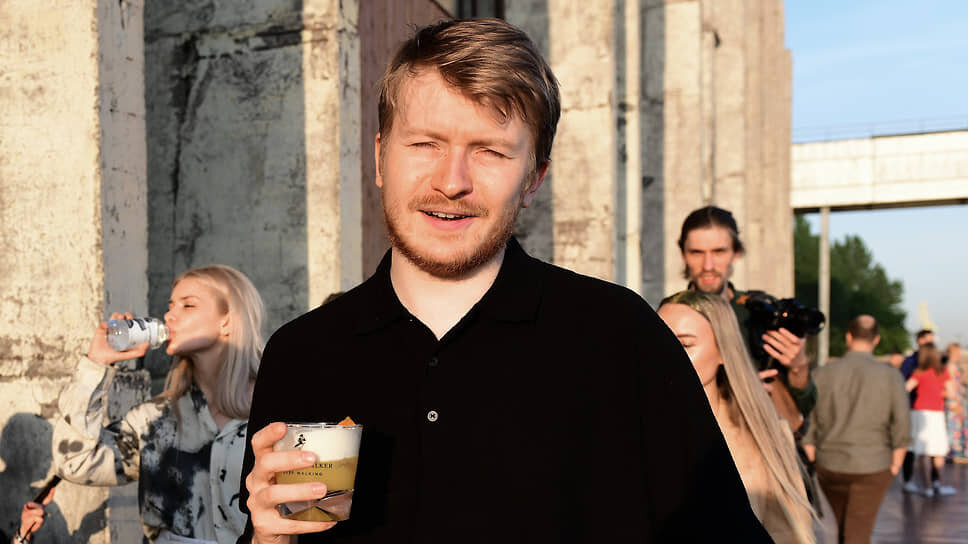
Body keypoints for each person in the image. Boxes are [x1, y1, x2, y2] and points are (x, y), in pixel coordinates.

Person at [238, 18, 770, 543]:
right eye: (424, 144)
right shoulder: (302, 354)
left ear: (534, 178)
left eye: (490, 151)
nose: (451, 182)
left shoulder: (621, 338)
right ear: (380, 157)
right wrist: (269, 541)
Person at [52, 265, 265, 543]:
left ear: (227, 321)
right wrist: (96, 364)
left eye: (188, 305)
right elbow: (75, 462)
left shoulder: (278, 411)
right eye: (170, 305)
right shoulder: (156, 418)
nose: (169, 316)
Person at [658, 290, 815, 543]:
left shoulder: (762, 437)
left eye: (685, 345)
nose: (666, 355)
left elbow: (788, 535)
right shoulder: (630, 430)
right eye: (658, 342)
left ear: (723, 351)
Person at [678, 206, 816, 430]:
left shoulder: (763, 312)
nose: (708, 265)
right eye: (697, 253)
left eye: (719, 252)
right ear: (683, 255)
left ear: (736, 253)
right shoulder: (671, 317)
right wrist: (737, 396)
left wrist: (798, 366)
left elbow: (803, 411)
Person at [802, 315, 911, 543]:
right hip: (873, 465)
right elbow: (902, 422)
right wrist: (896, 464)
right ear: (876, 339)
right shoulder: (891, 376)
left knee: (847, 529)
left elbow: (809, 417)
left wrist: (811, 452)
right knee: (857, 534)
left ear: (848, 337)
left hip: (829, 464)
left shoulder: (822, 373)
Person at [905, 343, 957, 497]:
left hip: (919, 412)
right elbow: (951, 393)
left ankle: (927, 487)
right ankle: (939, 484)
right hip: (936, 414)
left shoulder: (919, 372)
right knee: (938, 451)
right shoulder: (942, 372)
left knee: (924, 453)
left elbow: (906, 388)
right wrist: (939, 392)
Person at [899, 329, 938, 491]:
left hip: (933, 410)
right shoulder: (911, 362)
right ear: (920, 340)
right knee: (911, 445)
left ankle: (934, 480)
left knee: (933, 446)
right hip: (914, 408)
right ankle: (908, 479)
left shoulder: (936, 361)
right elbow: (904, 385)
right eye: (929, 339)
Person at [946, 343, 968, 462]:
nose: (960, 354)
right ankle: (953, 451)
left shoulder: (954, 365)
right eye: (958, 352)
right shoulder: (950, 366)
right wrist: (955, 401)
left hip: (958, 399)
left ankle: (956, 451)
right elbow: (951, 384)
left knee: (957, 426)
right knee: (954, 427)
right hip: (954, 400)